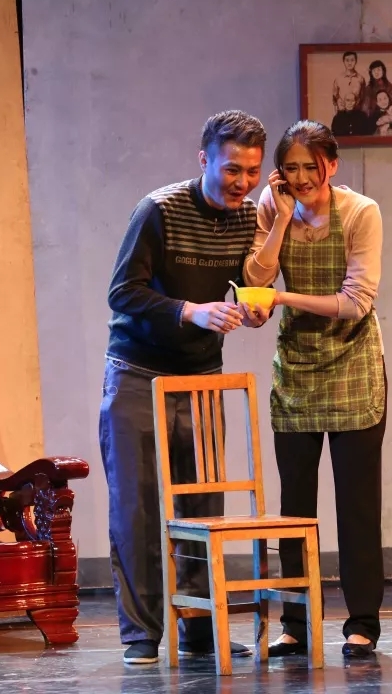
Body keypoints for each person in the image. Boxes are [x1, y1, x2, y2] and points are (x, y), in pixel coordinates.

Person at [100, 110, 272, 666]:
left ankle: (198, 628)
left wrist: (251, 310)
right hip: (137, 372)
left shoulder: (248, 219)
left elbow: (247, 286)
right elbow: (122, 292)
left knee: (202, 504)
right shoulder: (160, 210)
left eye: (252, 171)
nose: (242, 182)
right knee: (137, 507)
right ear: (204, 160)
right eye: (232, 169)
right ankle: (140, 633)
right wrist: (189, 311)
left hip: (200, 375)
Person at [243, 121, 386, 659]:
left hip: (354, 364)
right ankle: (297, 623)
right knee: (295, 507)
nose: (302, 178)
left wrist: (282, 300)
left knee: (356, 505)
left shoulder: (361, 212)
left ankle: (363, 623)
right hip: (298, 369)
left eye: (311, 166)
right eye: (291, 168)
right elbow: (256, 277)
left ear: (333, 164)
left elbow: (356, 302)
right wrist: (281, 220)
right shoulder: (272, 204)